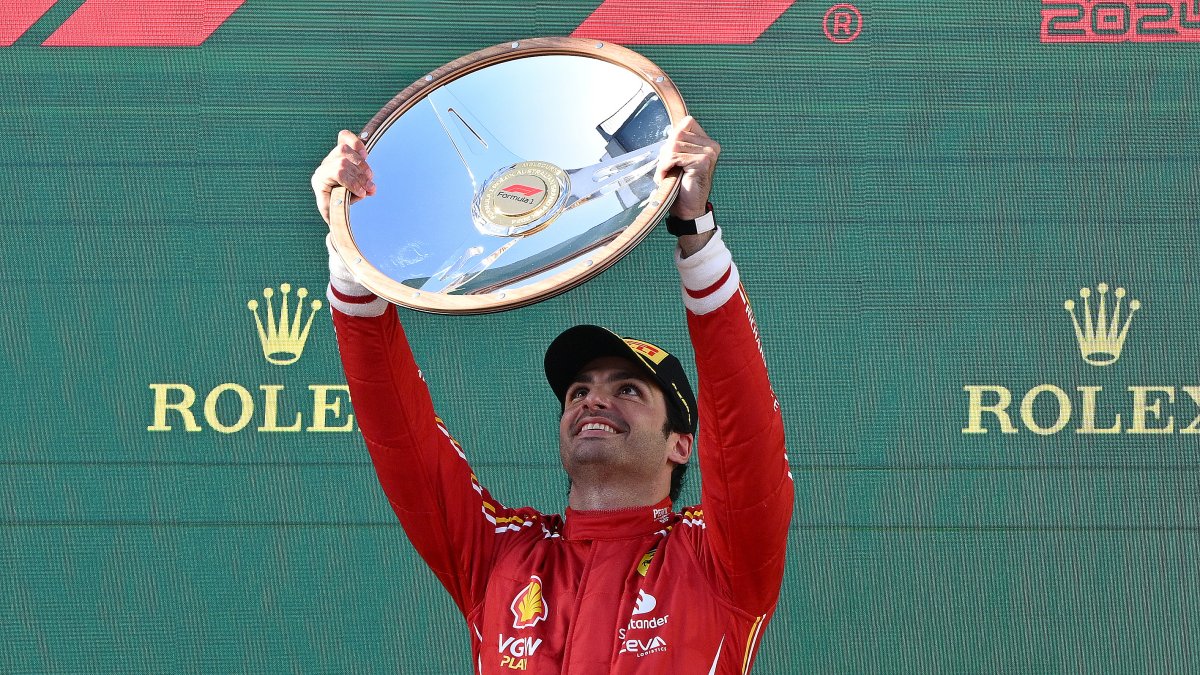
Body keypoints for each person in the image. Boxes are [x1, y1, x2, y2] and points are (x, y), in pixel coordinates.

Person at [311, 116, 793, 673]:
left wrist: (696, 231)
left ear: (680, 445)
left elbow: (745, 431)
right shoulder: (502, 555)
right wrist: (353, 251)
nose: (591, 400)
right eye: (577, 391)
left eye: (628, 388)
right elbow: (402, 436)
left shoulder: (718, 558)